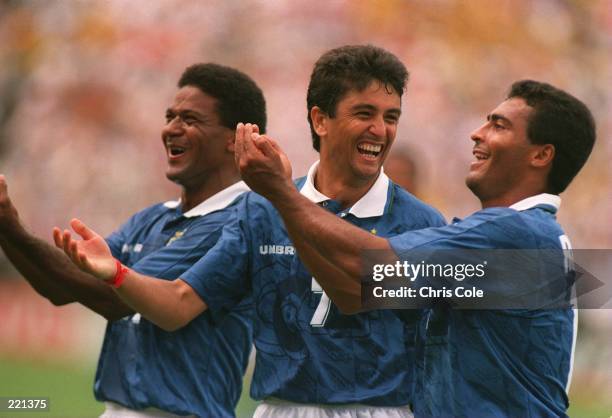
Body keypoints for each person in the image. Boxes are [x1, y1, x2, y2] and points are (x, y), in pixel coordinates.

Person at [55, 45, 446, 418]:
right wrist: (117, 273)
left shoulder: (421, 223)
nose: (380, 130)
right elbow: (179, 305)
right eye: (364, 113)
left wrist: (280, 196)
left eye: (391, 117)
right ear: (320, 119)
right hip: (280, 407)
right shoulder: (259, 209)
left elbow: (359, 298)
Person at [231, 80, 596, 417]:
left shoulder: (516, 233)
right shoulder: (521, 236)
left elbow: (373, 264)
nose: (476, 133)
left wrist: (280, 192)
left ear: (541, 155)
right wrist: (284, 199)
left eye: (499, 126)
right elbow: (358, 293)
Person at [0, 63, 267, 418]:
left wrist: (9, 224)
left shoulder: (237, 221)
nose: (171, 129)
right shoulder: (152, 218)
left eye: (190, 119)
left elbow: (116, 299)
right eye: (170, 116)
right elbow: (65, 287)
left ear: (236, 137)